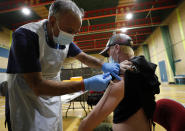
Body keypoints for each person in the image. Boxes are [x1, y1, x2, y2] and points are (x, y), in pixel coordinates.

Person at [6, 1, 125, 131]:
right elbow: (37, 86)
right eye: (69, 30)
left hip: (52, 95)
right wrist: (85, 84)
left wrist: (103, 66)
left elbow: (84, 57)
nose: (72, 36)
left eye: (75, 32)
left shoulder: (64, 39)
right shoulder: (26, 36)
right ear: (52, 21)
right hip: (26, 98)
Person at [79, 33, 160, 131]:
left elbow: (86, 125)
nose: (109, 57)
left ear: (117, 48)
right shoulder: (142, 68)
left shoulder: (120, 78)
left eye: (109, 53)